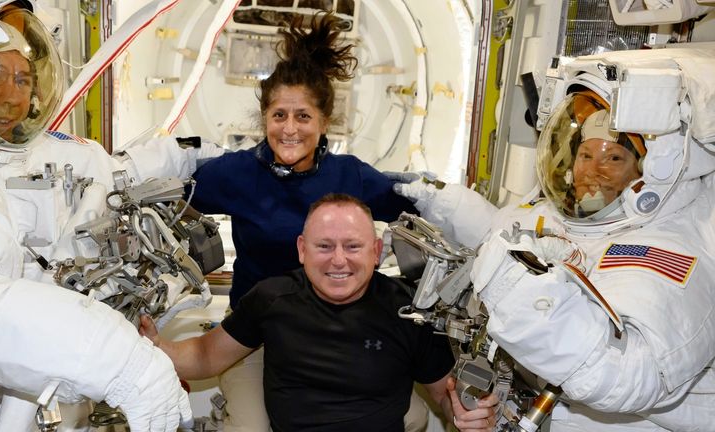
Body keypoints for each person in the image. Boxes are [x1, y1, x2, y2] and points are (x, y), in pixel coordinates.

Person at [390, 63, 715, 432]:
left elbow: (631, 371)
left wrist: (521, 297)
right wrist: (440, 200)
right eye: (586, 155)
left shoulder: (671, 244)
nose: (593, 170)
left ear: (646, 170)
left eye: (613, 158)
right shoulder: (552, 212)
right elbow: (495, 236)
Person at [0, 2, 224, 431]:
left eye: (22, 79)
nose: (11, 97)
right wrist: (128, 366)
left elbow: (123, 170)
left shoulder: (48, 149)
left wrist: (214, 156)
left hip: (70, 388)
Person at [187, 12, 425, 431]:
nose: (289, 129)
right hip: (253, 337)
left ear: (323, 123)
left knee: (411, 418)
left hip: (337, 333)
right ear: (264, 118)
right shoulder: (234, 174)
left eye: (302, 117)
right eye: (279, 115)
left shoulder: (350, 176)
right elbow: (173, 200)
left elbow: (417, 207)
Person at [141, 193, 499, 432]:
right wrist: (152, 346)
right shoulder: (272, 299)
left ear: (376, 251)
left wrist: (468, 416)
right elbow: (204, 356)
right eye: (324, 246)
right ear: (302, 249)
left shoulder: (409, 312)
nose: (338, 260)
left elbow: (444, 396)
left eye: (353, 246)